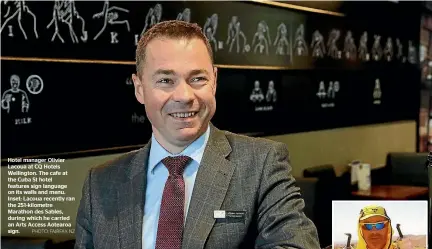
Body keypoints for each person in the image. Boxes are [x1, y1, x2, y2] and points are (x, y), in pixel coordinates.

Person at [75, 20, 320, 249]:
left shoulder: (262, 163)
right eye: (165, 80)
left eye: (197, 78)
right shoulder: (100, 183)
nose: (184, 95)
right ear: (139, 89)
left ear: (214, 80)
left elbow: (295, 244)